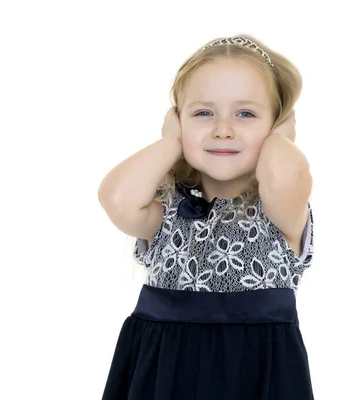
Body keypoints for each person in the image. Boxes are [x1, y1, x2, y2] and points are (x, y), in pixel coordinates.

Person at [98, 34, 315, 399]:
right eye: (202, 113)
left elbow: (282, 174)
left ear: (276, 123)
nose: (223, 129)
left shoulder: (280, 212)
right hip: (164, 376)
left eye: (246, 113)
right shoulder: (165, 212)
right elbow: (116, 197)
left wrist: (281, 138)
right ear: (178, 121)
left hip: (254, 374)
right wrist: (170, 143)